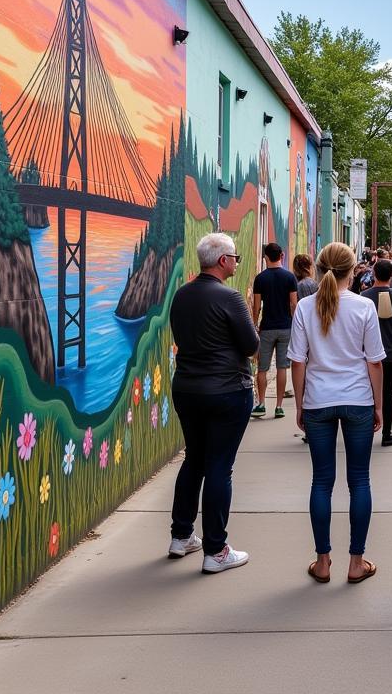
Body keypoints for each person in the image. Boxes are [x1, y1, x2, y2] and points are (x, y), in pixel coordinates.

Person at [289, 242, 385, 584]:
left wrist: (300, 403)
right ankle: (356, 563)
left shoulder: (304, 307)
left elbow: (297, 361)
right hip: (357, 399)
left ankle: (323, 561)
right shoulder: (363, 307)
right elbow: (374, 361)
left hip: (318, 401)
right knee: (359, 480)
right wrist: (377, 405)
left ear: (318, 268)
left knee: (321, 481)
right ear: (354, 269)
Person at [168, 233, 256, 573]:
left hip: (187, 389)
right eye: (234, 257)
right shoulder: (230, 298)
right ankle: (216, 550)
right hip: (227, 391)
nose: (236, 261)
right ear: (222, 261)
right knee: (220, 465)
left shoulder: (181, 296)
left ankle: (181, 535)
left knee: (195, 459)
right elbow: (249, 345)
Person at [361, 259, 392, 447]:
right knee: (388, 395)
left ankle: (365, 432)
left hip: (369, 354)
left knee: (368, 395)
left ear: (374, 274)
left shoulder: (364, 296)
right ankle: (387, 433)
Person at [252, 242, 298, 420]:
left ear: (265, 257)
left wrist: (255, 326)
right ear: (282, 256)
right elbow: (294, 304)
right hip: (285, 327)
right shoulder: (289, 277)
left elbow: (256, 307)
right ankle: (279, 406)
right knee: (282, 367)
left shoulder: (260, 279)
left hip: (267, 328)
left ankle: (262, 403)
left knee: (262, 368)